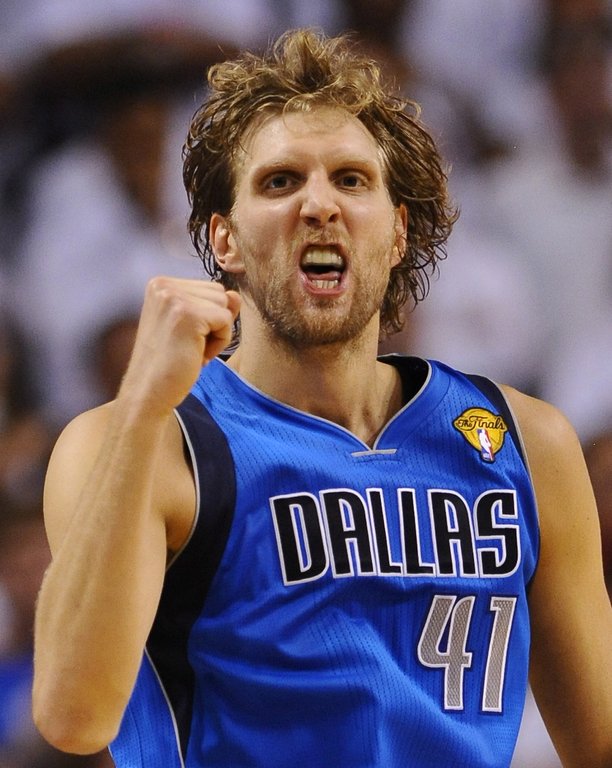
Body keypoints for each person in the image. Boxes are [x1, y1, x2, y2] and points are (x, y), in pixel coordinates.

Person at [31, 28, 612, 768]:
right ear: (225, 240)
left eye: (351, 179)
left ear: (397, 233)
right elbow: (73, 716)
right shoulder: (146, 443)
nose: (318, 204)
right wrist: (144, 401)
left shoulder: (527, 443)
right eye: (279, 182)